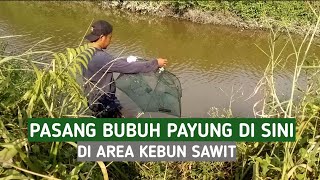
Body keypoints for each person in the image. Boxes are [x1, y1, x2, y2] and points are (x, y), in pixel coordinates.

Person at [82, 20, 167, 118]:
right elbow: (129, 68)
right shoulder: (101, 57)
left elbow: (113, 63)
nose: (111, 41)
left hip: (92, 99)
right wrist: (155, 63)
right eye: (110, 37)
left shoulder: (85, 52)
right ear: (102, 37)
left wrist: (126, 59)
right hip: (103, 102)